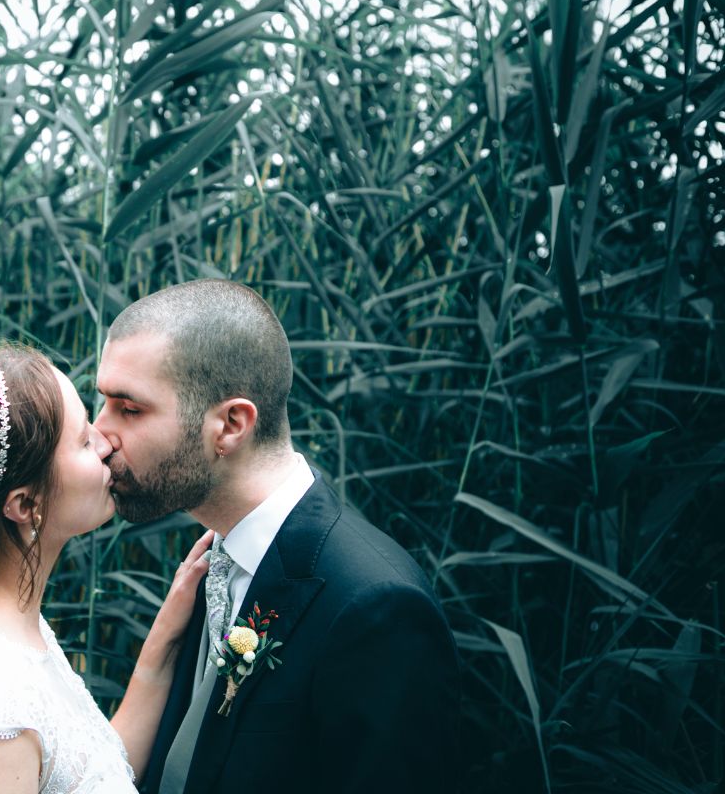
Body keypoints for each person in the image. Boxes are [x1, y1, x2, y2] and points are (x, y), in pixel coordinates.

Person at [93, 279, 461, 794]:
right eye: (102, 401)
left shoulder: (375, 607)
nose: (99, 433)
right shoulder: (211, 561)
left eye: (129, 409)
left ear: (230, 425)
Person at [0, 346, 213, 794]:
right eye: (81, 441)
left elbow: (91, 773)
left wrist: (166, 640)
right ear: (24, 504)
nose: (104, 442)